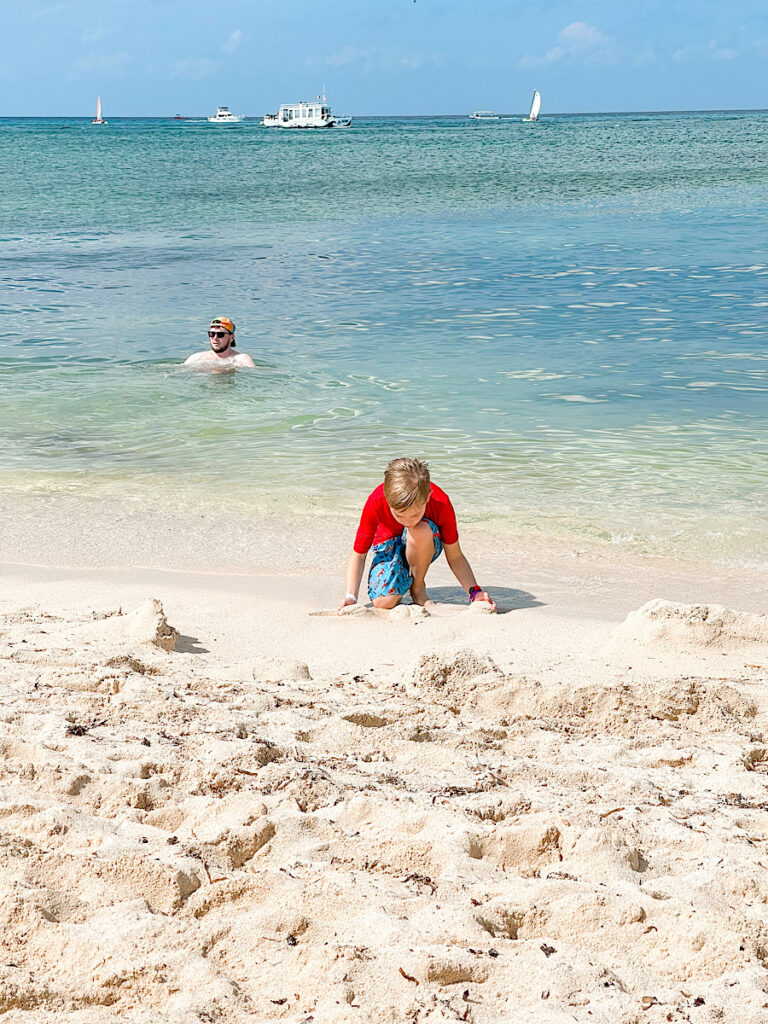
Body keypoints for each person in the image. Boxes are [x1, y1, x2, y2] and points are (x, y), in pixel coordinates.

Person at [339, 457, 496, 613]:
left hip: (424, 542)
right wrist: (351, 597)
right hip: (389, 545)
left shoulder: (440, 502)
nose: (407, 521)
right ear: (387, 499)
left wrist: (475, 592)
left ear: (427, 498)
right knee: (383, 602)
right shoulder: (376, 501)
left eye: (414, 515)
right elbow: (359, 554)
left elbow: (455, 556)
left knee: (418, 529)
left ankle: (418, 586)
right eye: (400, 515)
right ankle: (403, 578)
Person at [184, 317, 255, 369]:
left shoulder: (241, 359)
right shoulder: (197, 358)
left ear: (232, 338)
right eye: (212, 334)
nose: (215, 338)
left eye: (220, 334)